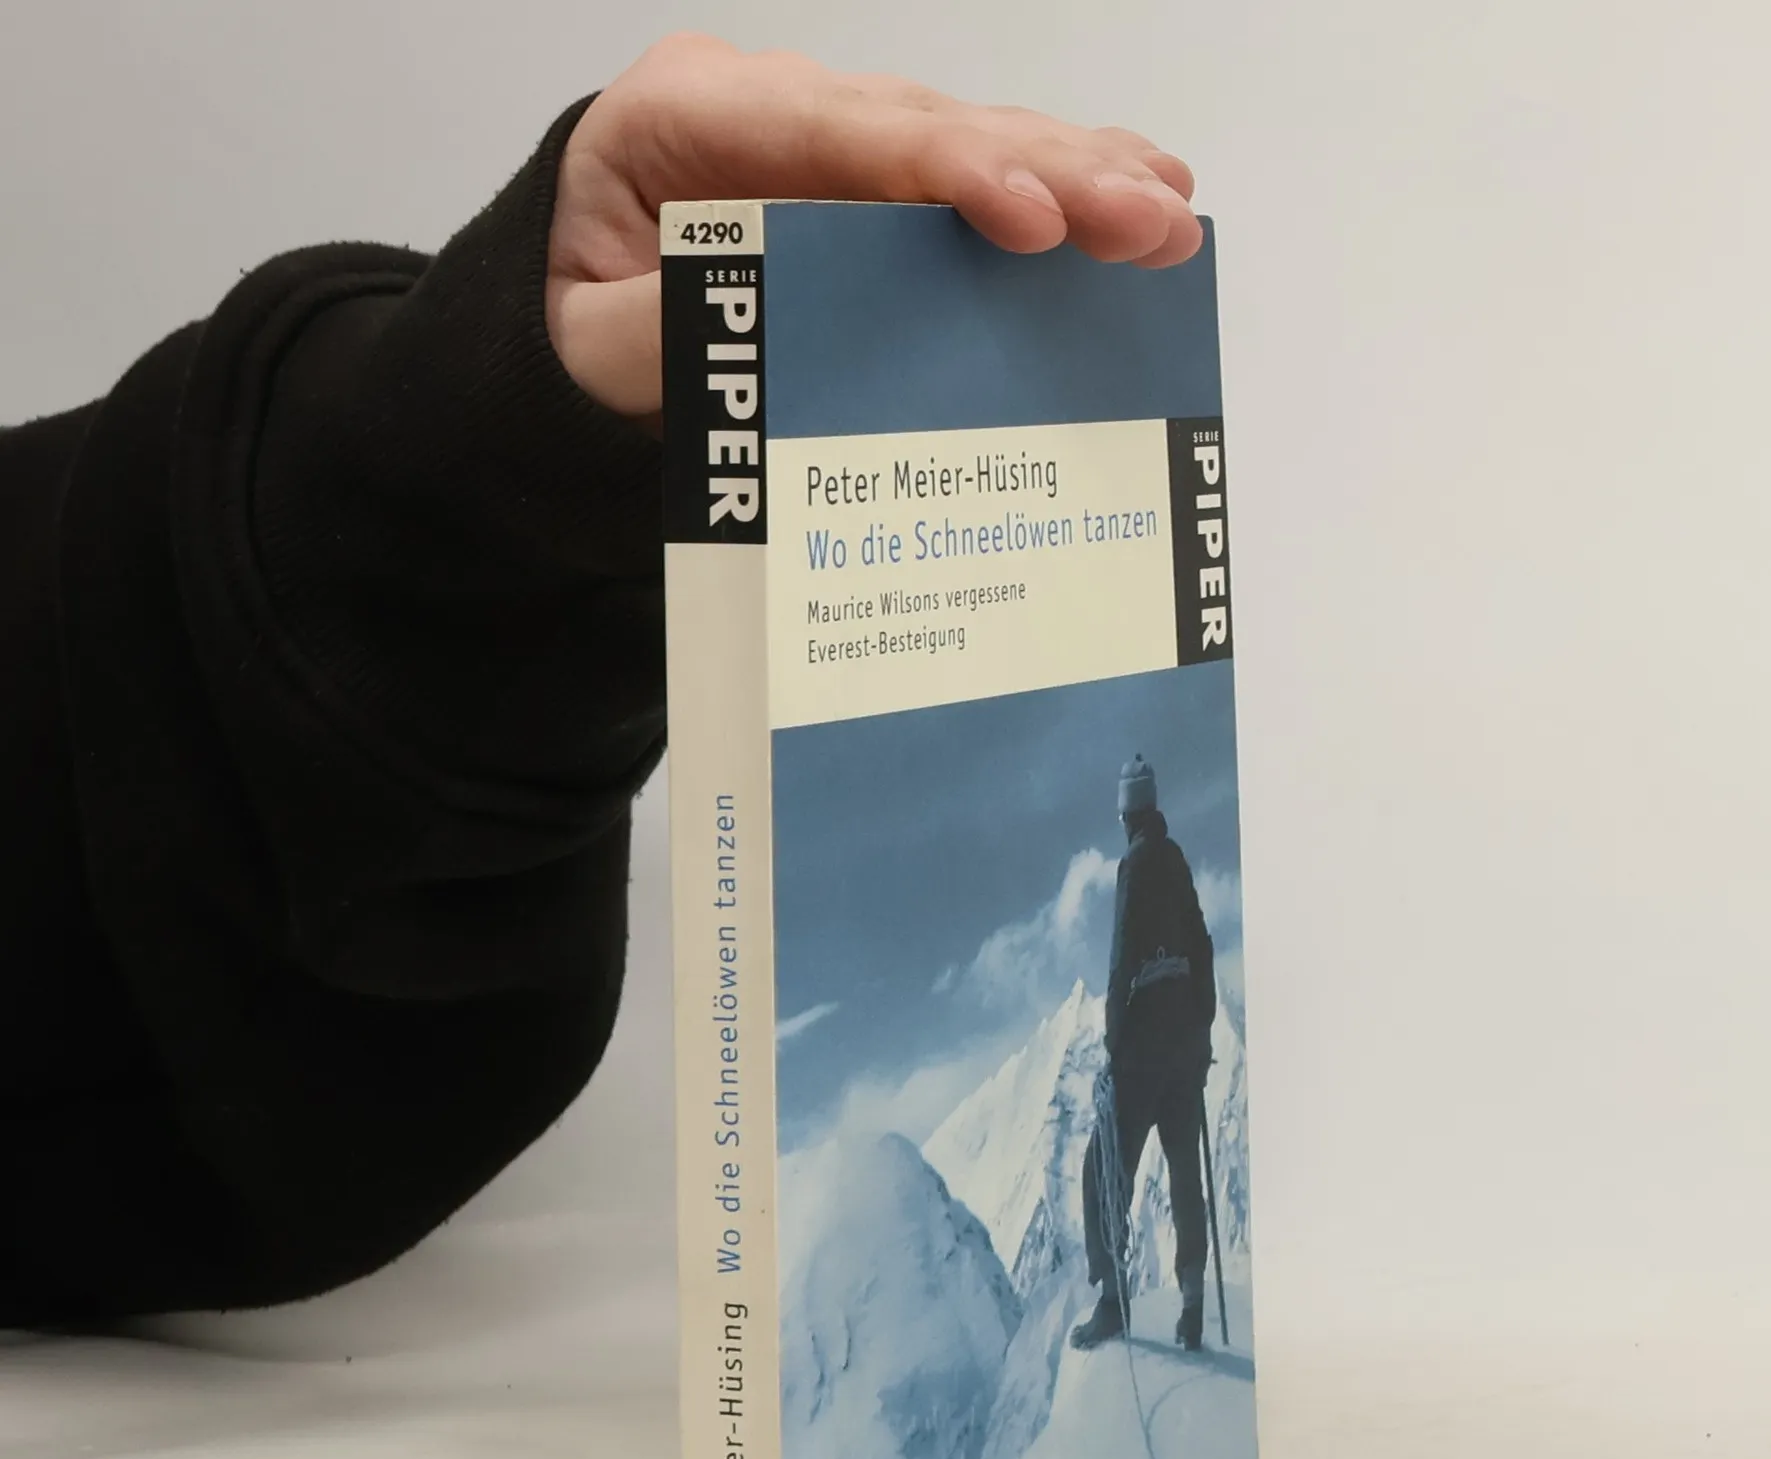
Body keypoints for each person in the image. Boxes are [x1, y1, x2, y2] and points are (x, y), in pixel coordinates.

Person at [0, 36, 1204, 1327]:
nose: (1126, 799)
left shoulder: (1158, 873)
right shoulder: (1156, 870)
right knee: (1138, 1172)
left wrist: (437, 513)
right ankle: (1159, 1297)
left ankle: (1168, 1296)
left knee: (1153, 1171)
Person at [1072, 753, 1217, 1354]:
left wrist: (1114, 1045)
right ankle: (1192, 1305)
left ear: (1126, 816)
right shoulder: (1178, 860)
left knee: (1103, 1168)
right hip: (1185, 1043)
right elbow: (1203, 947)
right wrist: (1203, 1028)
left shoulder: (1133, 866)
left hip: (1144, 1049)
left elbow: (1122, 959)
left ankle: (1113, 1302)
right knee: (1185, 1174)